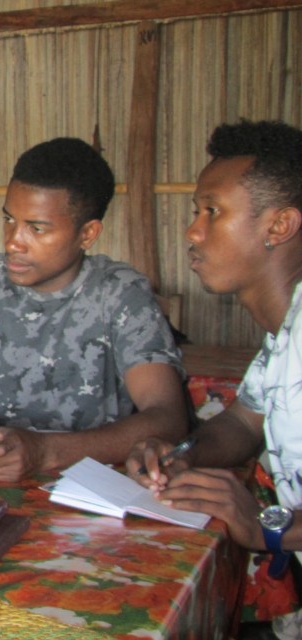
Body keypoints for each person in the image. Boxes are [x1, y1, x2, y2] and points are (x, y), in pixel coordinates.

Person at [0, 137, 188, 482]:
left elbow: (168, 418)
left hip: (86, 492)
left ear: (88, 233)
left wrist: (46, 451)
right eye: (9, 219)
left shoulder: (120, 293)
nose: (12, 242)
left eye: (36, 228)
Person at [127, 119, 302, 640]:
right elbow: (245, 423)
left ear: (278, 226)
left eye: (212, 212)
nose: (193, 231)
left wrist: (270, 528)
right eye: (195, 212)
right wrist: (180, 451)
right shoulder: (284, 334)